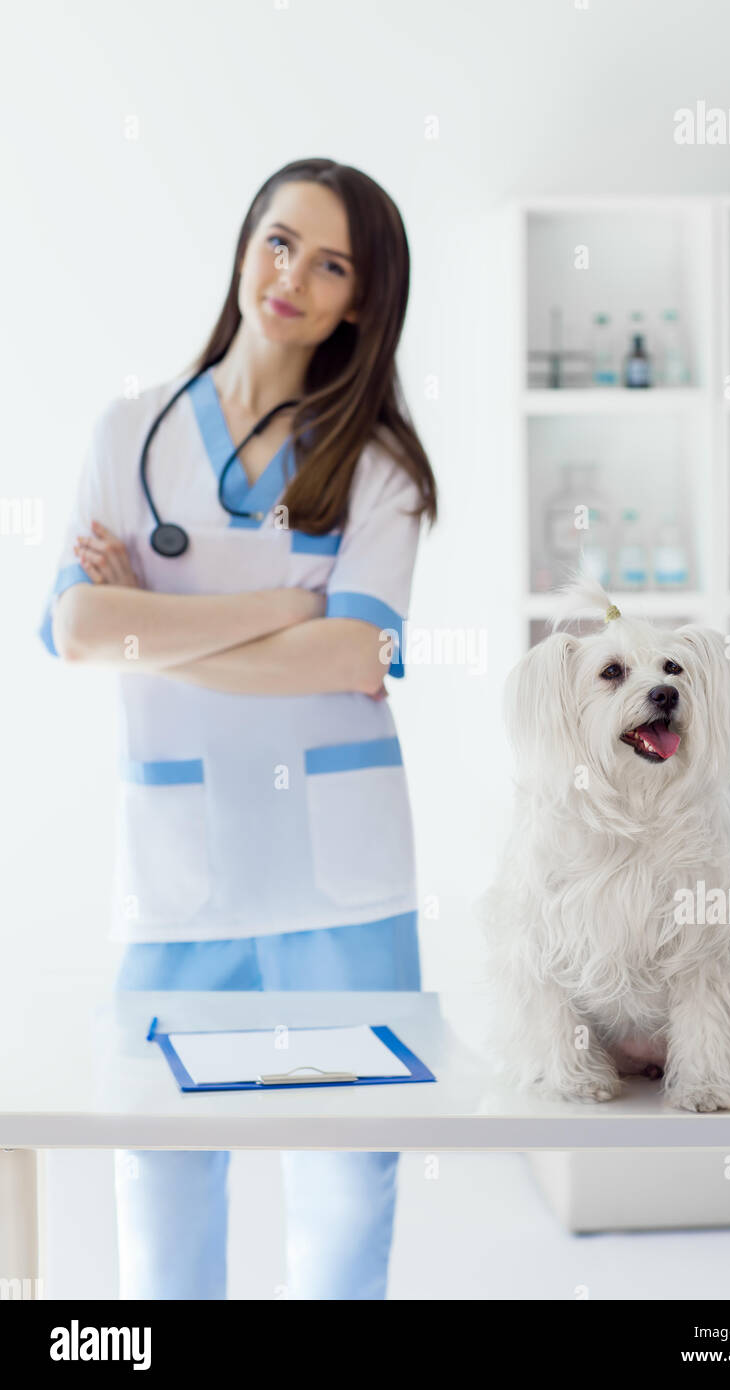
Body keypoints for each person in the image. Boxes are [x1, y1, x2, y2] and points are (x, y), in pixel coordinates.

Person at [37, 157, 437, 1300]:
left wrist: (154, 620)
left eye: (328, 264)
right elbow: (74, 633)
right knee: (159, 1176)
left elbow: (357, 653)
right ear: (243, 246)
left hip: (343, 885)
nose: (291, 278)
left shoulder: (380, 467)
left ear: (360, 300)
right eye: (276, 242)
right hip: (178, 877)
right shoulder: (129, 433)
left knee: (348, 1185)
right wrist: (274, 609)